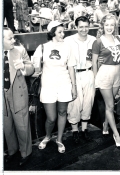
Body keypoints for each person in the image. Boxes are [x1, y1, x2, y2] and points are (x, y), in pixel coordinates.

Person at [33, 21, 77, 153]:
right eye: (60, 32)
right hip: (48, 85)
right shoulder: (42, 47)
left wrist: (73, 87)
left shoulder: (68, 47)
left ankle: (59, 139)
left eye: (63, 31)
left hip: (64, 84)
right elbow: (35, 68)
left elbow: (71, 68)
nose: (63, 34)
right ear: (52, 33)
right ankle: (47, 136)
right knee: (51, 118)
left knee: (62, 112)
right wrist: (36, 66)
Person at [3, 28, 34, 166]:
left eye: (13, 37)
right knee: (6, 125)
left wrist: (23, 67)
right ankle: (12, 151)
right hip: (2, 95)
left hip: (18, 91)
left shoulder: (19, 50)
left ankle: (26, 152)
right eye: (9, 38)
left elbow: (31, 68)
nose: (13, 40)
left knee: (22, 124)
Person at [92, 14, 120, 149]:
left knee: (111, 104)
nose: (109, 27)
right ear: (102, 26)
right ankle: (116, 134)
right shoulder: (98, 41)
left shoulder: (118, 39)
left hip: (117, 72)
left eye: (112, 25)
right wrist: (95, 79)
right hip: (105, 73)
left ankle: (105, 126)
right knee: (110, 106)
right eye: (107, 25)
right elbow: (94, 62)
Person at [64, 16, 96, 144]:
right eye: (81, 26)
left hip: (89, 72)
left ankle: (84, 130)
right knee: (75, 103)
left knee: (88, 102)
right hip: (74, 74)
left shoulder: (94, 40)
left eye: (86, 26)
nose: (84, 29)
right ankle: (74, 131)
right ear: (76, 27)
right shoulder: (68, 40)